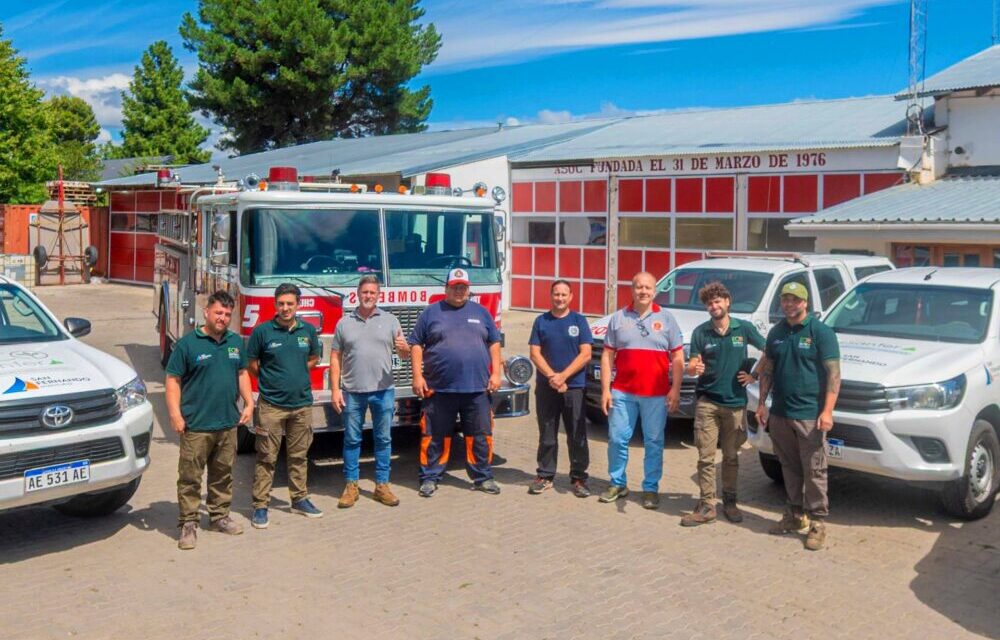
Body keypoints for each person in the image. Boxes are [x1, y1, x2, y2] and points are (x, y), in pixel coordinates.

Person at [755, 281, 841, 551]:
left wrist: (827, 411)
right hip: (780, 413)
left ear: (805, 303)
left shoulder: (821, 332)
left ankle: (817, 522)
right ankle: (794, 516)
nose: (789, 304)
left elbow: (834, 374)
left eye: (795, 299)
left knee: (814, 470)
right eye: (785, 299)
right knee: (789, 468)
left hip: (809, 415)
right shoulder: (777, 332)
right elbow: (767, 369)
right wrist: (762, 404)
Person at [166, 290, 253, 550]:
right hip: (196, 426)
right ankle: (189, 523)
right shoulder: (188, 344)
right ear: (206, 312)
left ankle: (219, 516)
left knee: (223, 475)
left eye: (227, 314)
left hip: (227, 424)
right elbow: (173, 380)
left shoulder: (235, 342)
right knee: (190, 477)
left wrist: (249, 403)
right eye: (218, 312)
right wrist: (175, 414)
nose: (223, 318)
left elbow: (242, 374)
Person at [409, 267, 502, 497]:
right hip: (439, 388)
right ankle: (430, 477)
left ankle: (483, 477)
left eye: (463, 287)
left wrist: (496, 373)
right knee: (434, 435)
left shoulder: (481, 312)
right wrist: (417, 376)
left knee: (480, 435)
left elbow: (494, 343)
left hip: (477, 388)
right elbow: (416, 344)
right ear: (446, 288)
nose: (459, 291)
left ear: (468, 289)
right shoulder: (431, 313)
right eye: (455, 287)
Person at [680, 282, 766, 527]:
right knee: (705, 457)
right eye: (709, 303)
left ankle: (729, 502)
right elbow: (692, 363)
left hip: (735, 404)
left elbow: (768, 350)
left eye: (718, 301)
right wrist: (692, 367)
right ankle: (707, 505)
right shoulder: (701, 332)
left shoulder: (743, 328)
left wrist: (755, 375)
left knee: (730, 457)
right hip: (707, 402)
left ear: (727, 302)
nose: (714, 306)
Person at [599, 272, 684, 509]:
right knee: (617, 439)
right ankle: (617, 483)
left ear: (655, 291)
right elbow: (607, 355)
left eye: (647, 288)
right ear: (632, 290)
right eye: (639, 287)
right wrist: (606, 389)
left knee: (654, 441)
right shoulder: (618, 318)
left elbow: (677, 356)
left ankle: (650, 488)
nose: (643, 292)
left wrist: (675, 389)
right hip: (622, 393)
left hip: (656, 395)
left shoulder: (667, 319)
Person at [330, 275, 410, 508]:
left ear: (378, 295)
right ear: (357, 293)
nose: (368, 296)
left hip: (383, 391)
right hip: (352, 391)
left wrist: (405, 350)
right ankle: (351, 485)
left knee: (383, 439)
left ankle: (382, 485)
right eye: (365, 292)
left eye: (372, 293)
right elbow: (335, 357)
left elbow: (403, 354)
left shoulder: (391, 320)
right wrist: (335, 389)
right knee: (352, 439)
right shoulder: (344, 323)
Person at [247, 283, 323, 529]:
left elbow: (314, 358)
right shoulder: (262, 332)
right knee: (267, 457)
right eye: (281, 303)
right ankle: (260, 505)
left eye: (290, 303)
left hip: (302, 405)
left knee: (299, 456)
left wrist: (297, 373)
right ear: (275, 305)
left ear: (297, 305)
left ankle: (299, 499)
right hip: (271, 406)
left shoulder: (308, 331)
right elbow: (252, 363)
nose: (285, 308)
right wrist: (272, 380)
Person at [528, 280, 593, 497]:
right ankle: (545, 475)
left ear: (571, 297)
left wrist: (563, 376)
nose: (560, 298)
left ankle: (578, 478)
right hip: (547, 387)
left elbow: (586, 354)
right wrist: (552, 377)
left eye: (564, 295)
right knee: (547, 433)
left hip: (574, 387)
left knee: (577, 433)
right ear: (551, 295)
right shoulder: (541, 321)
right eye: (556, 294)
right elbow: (534, 353)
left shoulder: (579, 321)